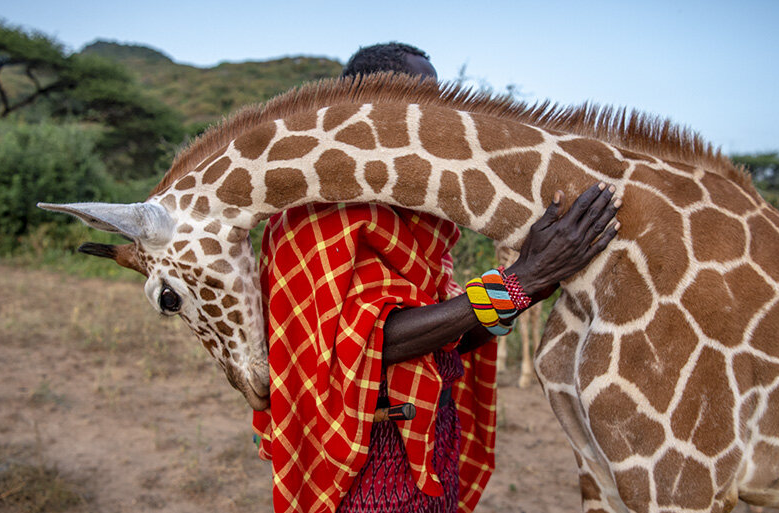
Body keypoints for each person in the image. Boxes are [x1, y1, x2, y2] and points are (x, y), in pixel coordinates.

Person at [251, 43, 620, 513]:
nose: (440, 117)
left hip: (431, 436)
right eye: (425, 100)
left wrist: (532, 284)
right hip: (361, 458)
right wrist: (520, 281)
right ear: (373, 106)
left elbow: (443, 338)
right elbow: (369, 343)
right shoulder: (311, 217)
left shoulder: (420, 221)